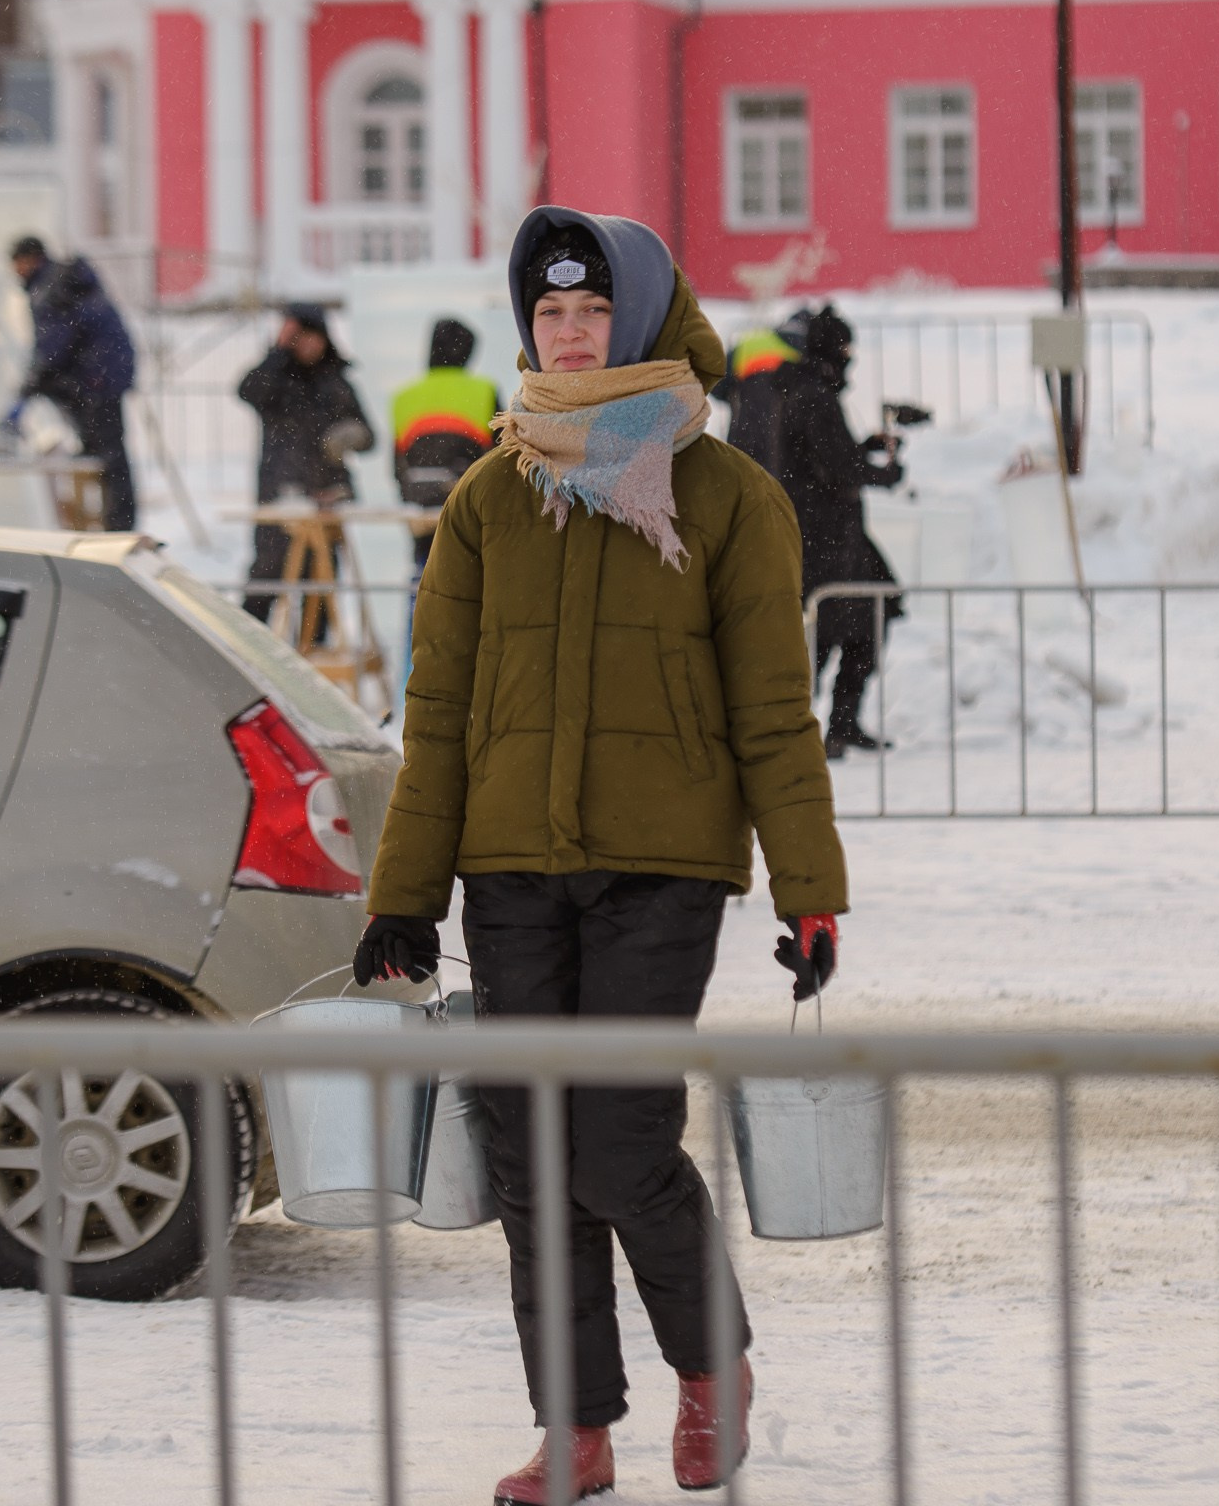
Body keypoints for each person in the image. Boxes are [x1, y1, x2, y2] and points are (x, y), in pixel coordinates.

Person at [354, 207, 848, 1506]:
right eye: (548, 313)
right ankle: (573, 1428)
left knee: (619, 1142)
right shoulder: (489, 495)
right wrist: (404, 896)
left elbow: (774, 712)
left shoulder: (725, 496)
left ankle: (711, 1366)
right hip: (511, 864)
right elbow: (440, 712)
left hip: (662, 866)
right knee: (530, 1153)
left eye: (590, 311)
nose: (568, 335)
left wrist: (810, 891)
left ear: (634, 318)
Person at [772, 305, 906, 758]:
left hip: (835, 536)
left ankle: (840, 724)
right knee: (827, 630)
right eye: (845, 347)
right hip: (823, 539)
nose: (851, 356)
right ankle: (797, 728)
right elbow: (835, 468)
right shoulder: (814, 395)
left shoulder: (810, 390)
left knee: (867, 616)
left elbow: (830, 456)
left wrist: (865, 448)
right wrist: (884, 474)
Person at [237, 301, 374, 623]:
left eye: (314, 337)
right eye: (300, 338)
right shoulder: (277, 380)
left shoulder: (335, 381)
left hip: (327, 496)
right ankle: (247, 644)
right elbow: (248, 390)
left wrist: (349, 435)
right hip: (280, 495)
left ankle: (312, 648)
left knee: (320, 587)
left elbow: (369, 437)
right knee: (266, 577)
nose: (309, 345)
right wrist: (278, 351)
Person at [11, 235, 140, 530]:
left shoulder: (51, 287)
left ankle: (118, 525)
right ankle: (112, 520)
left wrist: (34, 382)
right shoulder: (61, 280)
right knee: (105, 453)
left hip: (96, 378)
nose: (15, 271)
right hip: (101, 375)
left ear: (30, 259)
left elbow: (53, 343)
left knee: (107, 454)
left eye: (17, 263)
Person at [390, 317, 500, 570]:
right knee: (469, 573)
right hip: (467, 501)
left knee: (426, 570)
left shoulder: (404, 396)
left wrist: (408, 496)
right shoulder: (484, 390)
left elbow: (397, 464)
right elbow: (502, 451)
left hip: (421, 501)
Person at [713, 313, 806, 471]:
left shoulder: (750, 342)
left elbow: (717, 385)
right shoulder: (810, 350)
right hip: (785, 447)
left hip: (744, 437)